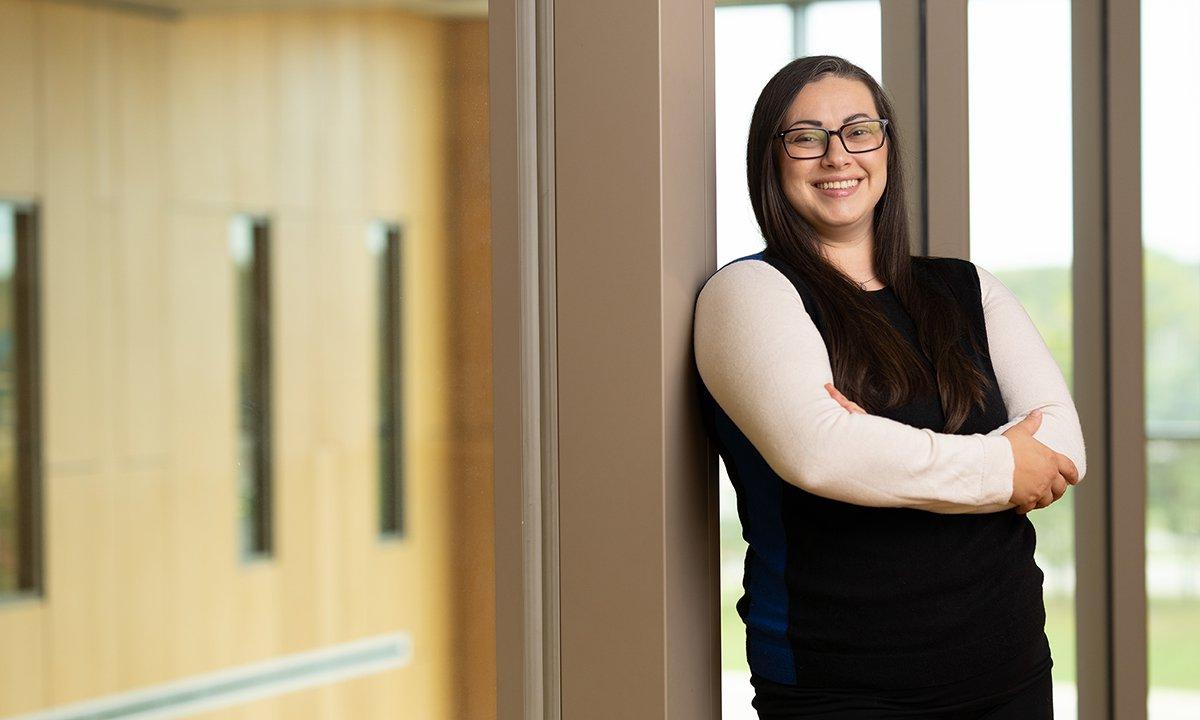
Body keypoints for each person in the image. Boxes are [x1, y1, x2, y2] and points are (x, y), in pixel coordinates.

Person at [691, 55, 1087, 719]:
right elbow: (821, 456)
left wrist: (880, 447)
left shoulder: (965, 287)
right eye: (805, 137)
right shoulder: (748, 295)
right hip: (841, 684)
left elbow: (1063, 446)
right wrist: (999, 464)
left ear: (886, 147)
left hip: (1010, 666)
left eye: (858, 130)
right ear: (772, 158)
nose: (836, 155)